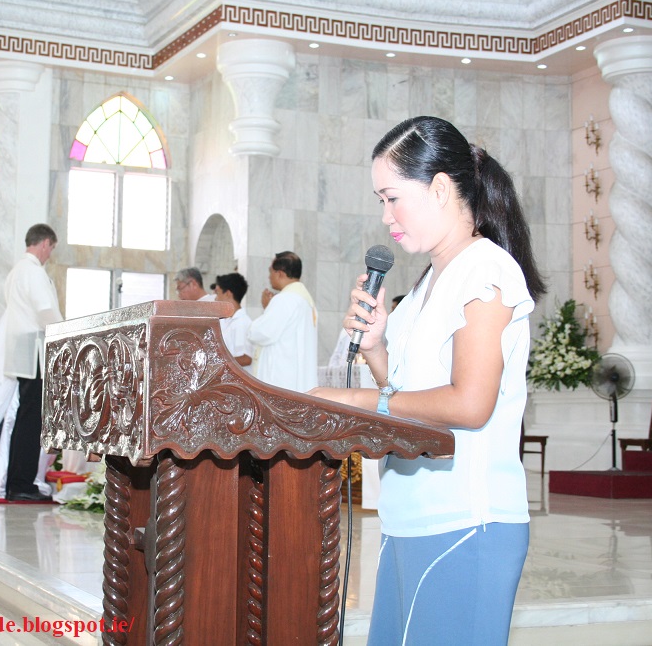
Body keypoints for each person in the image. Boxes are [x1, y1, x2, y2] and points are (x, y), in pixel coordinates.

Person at [310, 116, 546, 645]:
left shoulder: (488, 270)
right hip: (410, 519)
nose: (386, 216)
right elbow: (410, 392)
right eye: (380, 200)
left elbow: (469, 404)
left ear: (440, 188)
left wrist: (350, 399)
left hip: (467, 521)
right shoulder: (424, 285)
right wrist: (374, 350)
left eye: (393, 197)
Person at [3, 223, 64, 501]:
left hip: (23, 349)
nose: (49, 254)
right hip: (37, 352)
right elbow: (45, 311)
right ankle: (22, 485)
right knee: (31, 421)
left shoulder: (16, 271)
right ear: (44, 243)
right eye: (51, 248)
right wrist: (66, 333)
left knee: (25, 418)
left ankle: (18, 481)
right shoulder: (34, 272)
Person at [247, 251, 318, 392]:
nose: (269, 276)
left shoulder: (285, 299)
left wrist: (267, 309)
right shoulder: (305, 300)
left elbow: (262, 333)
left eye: (270, 272)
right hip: (296, 377)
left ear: (280, 273)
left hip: (281, 379)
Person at [213, 272, 252, 367]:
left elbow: (245, 359)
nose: (215, 299)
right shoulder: (223, 320)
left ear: (228, 294)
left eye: (217, 293)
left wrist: (216, 364)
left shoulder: (241, 322)